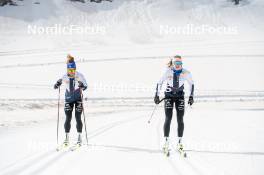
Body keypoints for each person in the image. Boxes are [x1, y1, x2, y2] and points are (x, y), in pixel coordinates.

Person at [154, 55, 194, 153]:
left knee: (180, 119)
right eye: (176, 63)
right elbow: (159, 83)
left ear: (182, 64)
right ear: (173, 63)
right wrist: (156, 95)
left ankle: (180, 143)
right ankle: (166, 142)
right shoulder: (167, 71)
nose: (178, 65)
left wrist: (191, 96)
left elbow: (191, 84)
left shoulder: (186, 73)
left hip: (180, 97)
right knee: (168, 118)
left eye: (179, 63)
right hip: (169, 97)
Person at [54, 54, 88, 146]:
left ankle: (79, 137)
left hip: (78, 100)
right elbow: (58, 83)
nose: (72, 72)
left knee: (78, 117)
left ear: (75, 69)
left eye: (73, 70)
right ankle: (66, 138)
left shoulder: (80, 75)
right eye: (70, 70)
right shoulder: (64, 76)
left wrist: (82, 86)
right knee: (68, 118)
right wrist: (57, 84)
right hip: (68, 100)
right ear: (67, 69)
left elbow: (86, 86)